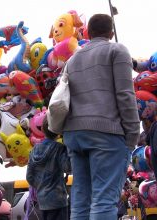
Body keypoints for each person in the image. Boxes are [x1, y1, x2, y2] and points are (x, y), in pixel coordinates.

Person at [61, 14, 140, 219]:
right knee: (104, 200)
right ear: (111, 32)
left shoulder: (72, 60)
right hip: (106, 132)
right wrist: (132, 134)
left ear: (89, 32)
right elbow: (125, 94)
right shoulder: (117, 50)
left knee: (80, 200)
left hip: (74, 134)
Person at [26, 115, 71, 220]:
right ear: (58, 132)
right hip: (58, 200)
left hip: (42, 200)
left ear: (42, 129)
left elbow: (29, 177)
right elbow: (68, 167)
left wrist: (42, 186)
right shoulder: (59, 149)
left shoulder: (34, 150)